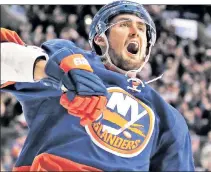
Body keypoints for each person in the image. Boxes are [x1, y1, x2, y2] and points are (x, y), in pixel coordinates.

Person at [1, 1, 195, 171]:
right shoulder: (67, 57)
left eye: (142, 29)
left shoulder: (170, 117)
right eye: (124, 24)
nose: (136, 31)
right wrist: (49, 70)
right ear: (100, 38)